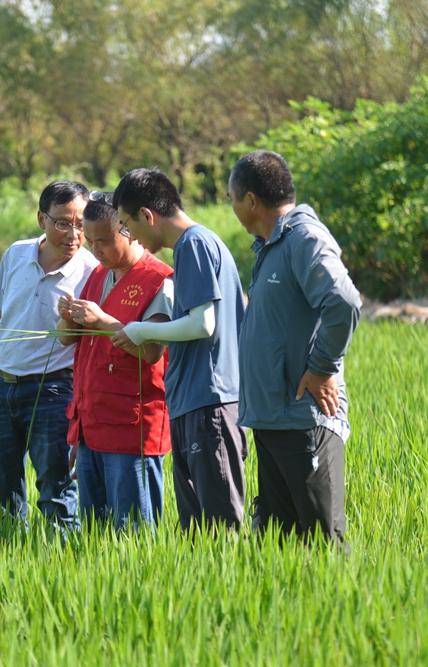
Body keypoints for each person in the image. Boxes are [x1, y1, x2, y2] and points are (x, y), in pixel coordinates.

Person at [227, 150, 361, 549]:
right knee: (279, 548)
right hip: (272, 419)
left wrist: (321, 368)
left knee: (323, 544)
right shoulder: (270, 245)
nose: (231, 208)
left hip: (303, 420)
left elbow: (344, 302)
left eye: (231, 199)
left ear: (251, 200)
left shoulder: (303, 237)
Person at [110, 168, 249, 532]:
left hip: (210, 403)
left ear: (147, 216)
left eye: (127, 226)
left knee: (218, 529)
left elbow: (204, 324)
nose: (131, 237)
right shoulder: (195, 245)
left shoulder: (194, 244)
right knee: (196, 532)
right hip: (194, 401)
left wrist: (140, 330)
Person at [0, 181, 99, 531]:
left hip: (54, 393)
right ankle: (2, 564)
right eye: (62, 222)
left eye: (81, 223)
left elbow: (90, 353)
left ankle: (63, 570)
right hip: (1, 389)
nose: (73, 233)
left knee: (57, 493)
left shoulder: (92, 270)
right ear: (41, 218)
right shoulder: (16, 253)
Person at [56, 195, 175, 530]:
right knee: (96, 535)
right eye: (90, 242)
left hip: (132, 431)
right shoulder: (97, 275)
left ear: (129, 230)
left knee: (133, 537)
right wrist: (68, 318)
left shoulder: (158, 280)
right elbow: (70, 339)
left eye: (104, 241)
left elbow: (151, 351)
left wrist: (102, 320)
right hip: (91, 427)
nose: (96, 250)